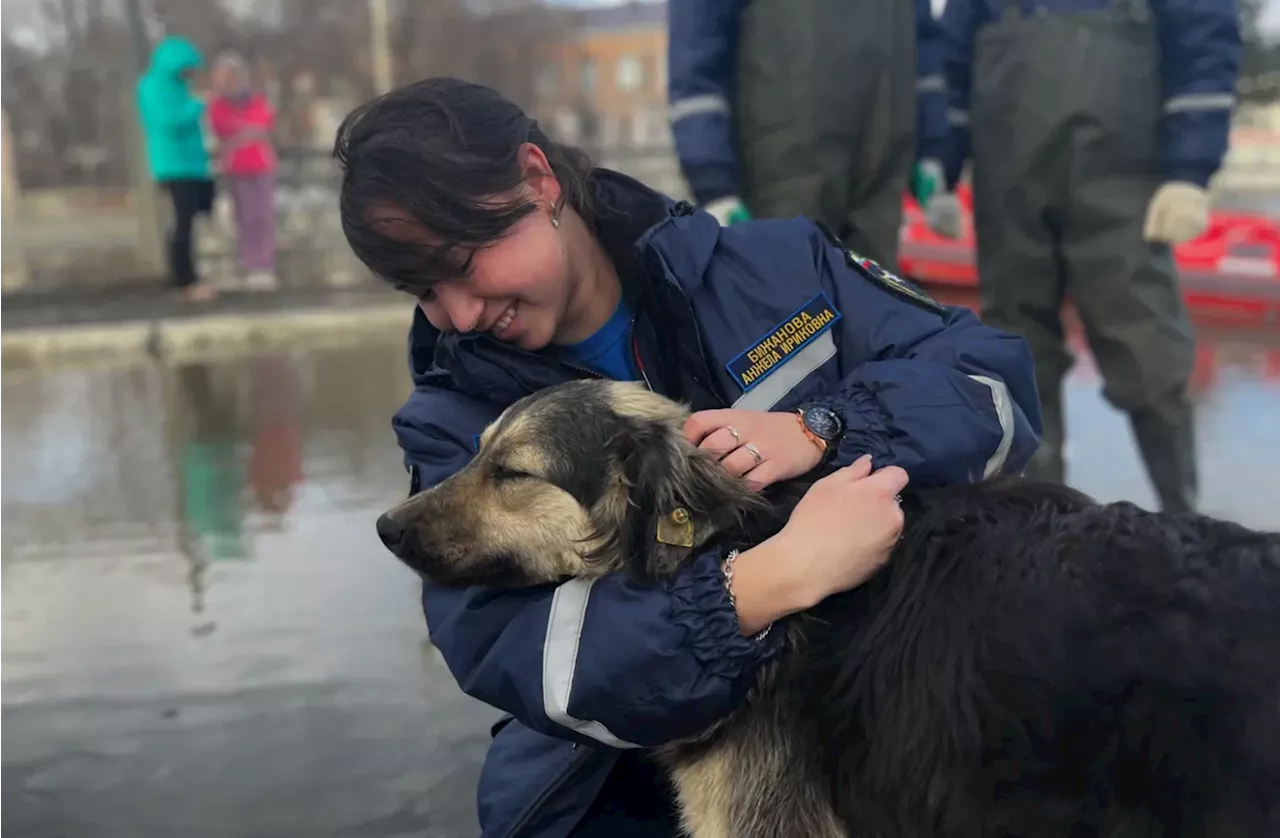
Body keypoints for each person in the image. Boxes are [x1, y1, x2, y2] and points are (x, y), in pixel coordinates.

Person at [335, 78, 1041, 837]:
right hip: (614, 771)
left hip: (885, 696)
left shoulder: (780, 269)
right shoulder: (451, 420)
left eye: (463, 260)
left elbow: (993, 385)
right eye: (422, 289)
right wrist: (762, 585)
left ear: (536, 181)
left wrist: (827, 426)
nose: (461, 315)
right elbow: (522, 653)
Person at [933, 0, 1241, 513]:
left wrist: (1190, 171)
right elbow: (952, 62)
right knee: (1017, 354)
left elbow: (1204, 44)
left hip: (1123, 188)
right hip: (1009, 187)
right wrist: (942, 170)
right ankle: (1037, 523)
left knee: (1149, 352)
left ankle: (1182, 516)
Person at [666, 0, 949, 270]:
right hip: (780, 184)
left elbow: (924, 45)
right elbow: (697, 62)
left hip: (878, 184)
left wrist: (935, 152)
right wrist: (714, 185)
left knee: (875, 306)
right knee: (791, 308)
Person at [137, 35, 218, 303]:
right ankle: (183, 278)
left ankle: (190, 274)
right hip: (174, 164)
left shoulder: (179, 87)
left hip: (192, 164)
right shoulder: (152, 87)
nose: (191, 73)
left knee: (192, 218)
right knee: (182, 221)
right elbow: (168, 120)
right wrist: (198, 105)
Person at [208, 51, 280, 291]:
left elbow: (263, 124)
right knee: (244, 218)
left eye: (231, 76)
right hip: (235, 168)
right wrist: (243, 132)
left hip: (260, 165)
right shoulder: (217, 104)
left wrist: (243, 131)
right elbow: (221, 127)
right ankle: (250, 264)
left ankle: (264, 265)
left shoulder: (256, 100)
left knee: (262, 217)